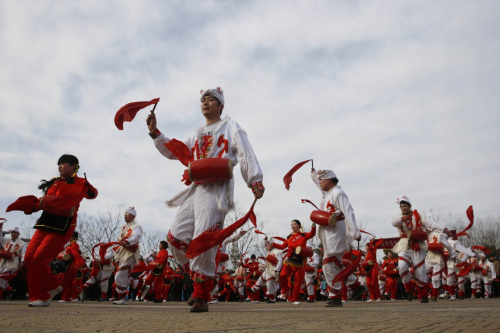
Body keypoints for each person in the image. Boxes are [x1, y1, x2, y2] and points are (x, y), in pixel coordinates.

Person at [146, 87, 265, 312]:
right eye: (203, 100)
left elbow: (245, 153)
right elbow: (179, 151)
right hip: (197, 188)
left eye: (211, 100)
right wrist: (155, 133)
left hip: (217, 190)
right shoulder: (197, 133)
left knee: (204, 239)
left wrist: (255, 180)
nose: (206, 103)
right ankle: (198, 279)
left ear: (221, 106)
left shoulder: (231, 127)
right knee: (175, 238)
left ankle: (202, 296)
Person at [5, 154, 97, 307]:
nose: (60, 166)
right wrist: (29, 205)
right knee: (29, 258)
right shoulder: (54, 182)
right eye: (59, 164)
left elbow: (67, 202)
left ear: (74, 165)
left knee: (40, 258)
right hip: (45, 223)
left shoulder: (80, 183)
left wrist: (40, 202)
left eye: (64, 163)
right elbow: (44, 204)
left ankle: (44, 295)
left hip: (63, 225)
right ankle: (47, 290)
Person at [310, 168, 365, 307]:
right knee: (336, 264)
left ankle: (335, 295)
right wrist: (314, 176)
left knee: (328, 263)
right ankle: (355, 285)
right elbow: (321, 189)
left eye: (321, 179)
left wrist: (354, 232)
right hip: (328, 235)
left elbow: (348, 212)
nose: (320, 182)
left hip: (337, 234)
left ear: (328, 179)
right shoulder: (328, 194)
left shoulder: (338, 193)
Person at [391, 196, 444, 303]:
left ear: (409, 206)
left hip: (417, 245)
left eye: (405, 206)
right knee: (401, 267)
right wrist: (403, 218)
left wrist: (444, 229)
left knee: (420, 272)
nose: (403, 208)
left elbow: (430, 224)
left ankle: (423, 295)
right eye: (401, 206)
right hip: (404, 245)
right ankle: (409, 288)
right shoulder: (398, 217)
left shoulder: (418, 216)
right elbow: (394, 223)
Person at [274, 219, 316, 304]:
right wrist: (273, 244)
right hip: (289, 260)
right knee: (282, 275)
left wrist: (313, 226)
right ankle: (286, 291)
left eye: (294, 224)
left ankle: (295, 299)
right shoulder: (290, 237)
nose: (293, 226)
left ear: (299, 226)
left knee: (297, 281)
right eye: (291, 224)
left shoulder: (303, 235)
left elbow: (312, 234)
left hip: (300, 261)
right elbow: (282, 246)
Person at [113, 207, 142, 305]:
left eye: (127, 213)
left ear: (133, 216)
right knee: (123, 276)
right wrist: (116, 255)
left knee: (119, 276)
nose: (125, 215)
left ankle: (122, 298)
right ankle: (139, 285)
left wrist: (127, 241)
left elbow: (136, 237)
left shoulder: (136, 227)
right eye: (125, 213)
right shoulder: (123, 228)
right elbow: (119, 242)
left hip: (130, 253)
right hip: (122, 253)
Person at [0, 226, 27, 300]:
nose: (13, 234)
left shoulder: (22, 243)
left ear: (18, 234)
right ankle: (8, 291)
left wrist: (22, 261)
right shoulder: (7, 240)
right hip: (3, 262)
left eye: (15, 233)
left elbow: (24, 253)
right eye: (12, 233)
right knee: (2, 279)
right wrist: (0, 229)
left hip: (12, 264)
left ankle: (9, 289)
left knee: (2, 277)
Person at [59, 231, 86, 302]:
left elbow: (76, 255)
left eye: (69, 236)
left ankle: (66, 298)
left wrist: (78, 264)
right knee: (69, 283)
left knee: (64, 282)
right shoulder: (70, 244)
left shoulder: (74, 245)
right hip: (70, 265)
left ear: (73, 237)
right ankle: (74, 295)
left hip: (72, 266)